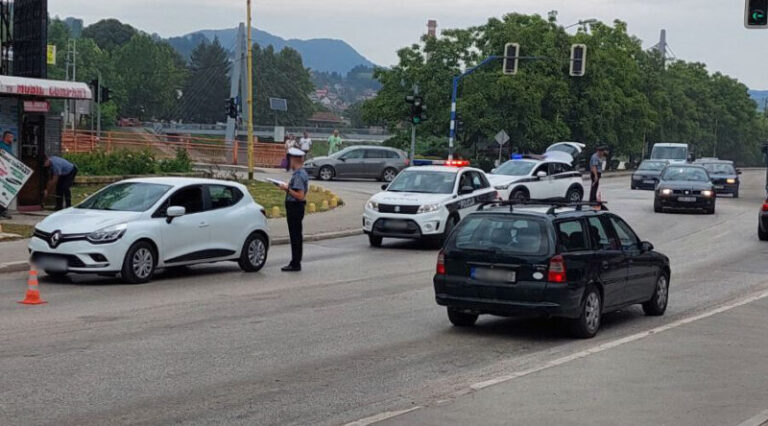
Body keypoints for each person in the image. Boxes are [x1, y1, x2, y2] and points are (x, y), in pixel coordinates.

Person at [280, 148, 309, 272]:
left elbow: (300, 195)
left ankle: (295, 263)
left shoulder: (299, 175)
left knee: (295, 236)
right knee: (296, 235)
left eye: (289, 159)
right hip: (296, 207)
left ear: (293, 159)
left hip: (295, 207)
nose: (288, 162)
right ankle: (295, 261)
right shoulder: (300, 173)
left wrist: (287, 189)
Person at [0, 131, 13, 219]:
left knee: (6, 193)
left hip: (7, 173)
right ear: (6, 137)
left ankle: (4, 211)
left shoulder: (9, 146)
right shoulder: (1, 145)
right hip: (1, 171)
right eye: (11, 137)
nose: (12, 139)